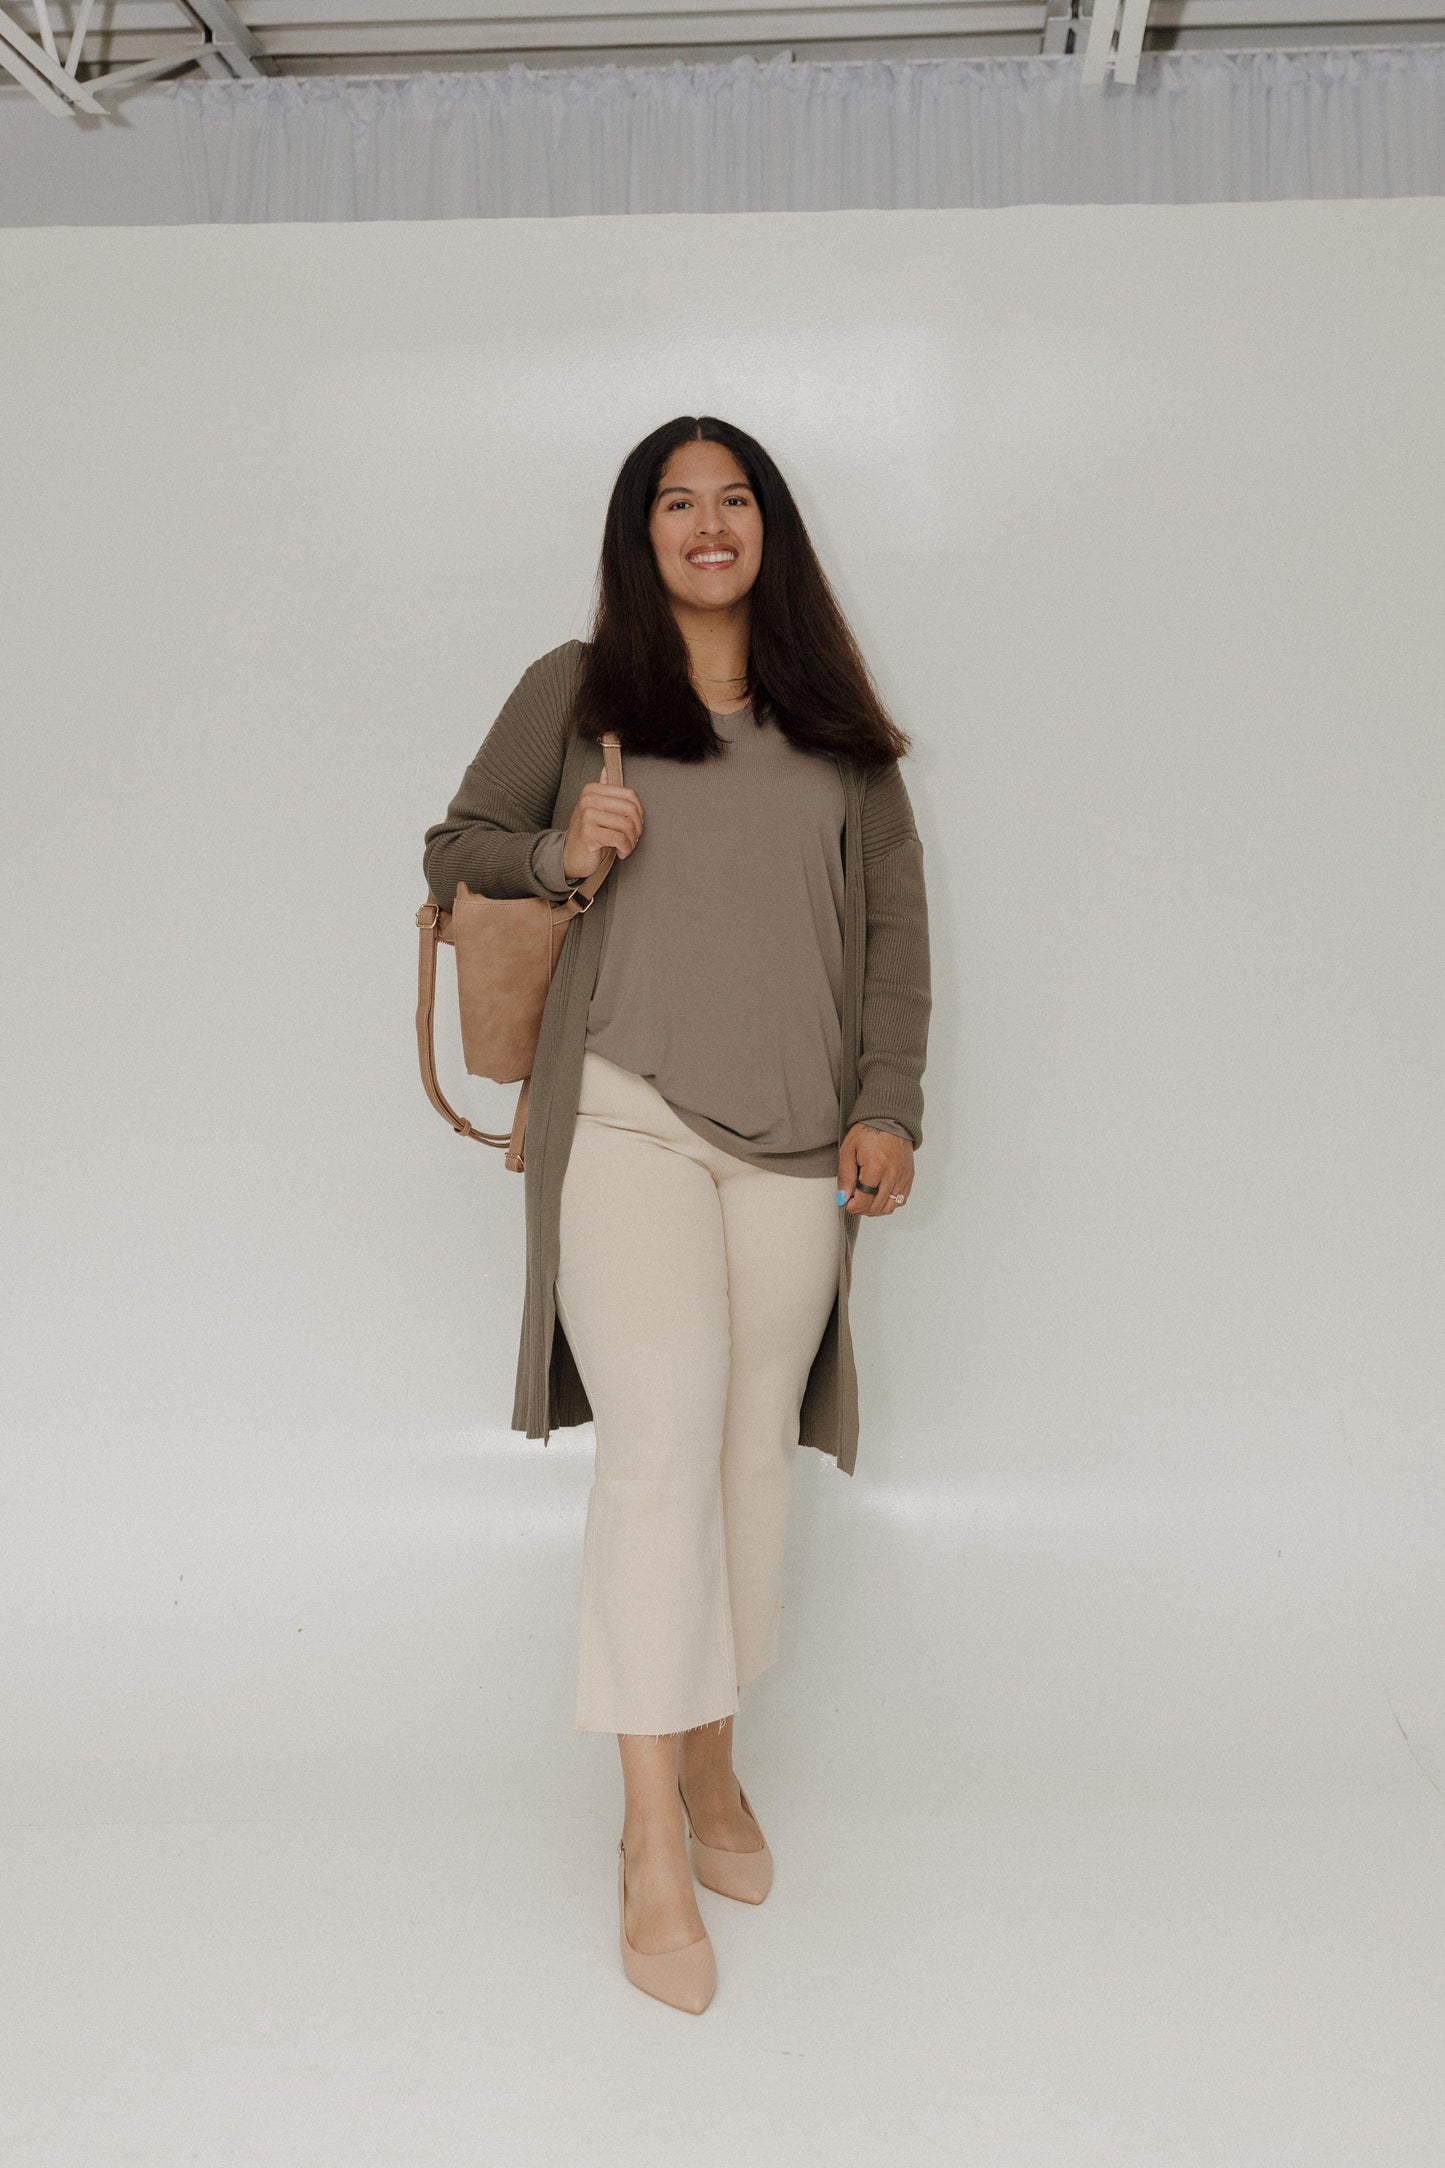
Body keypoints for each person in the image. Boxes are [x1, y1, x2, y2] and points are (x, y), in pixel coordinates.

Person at [422, 415, 931, 2014]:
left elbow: (894, 930)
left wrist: (887, 1103)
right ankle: (649, 1826)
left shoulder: (834, 722)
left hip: (796, 1143)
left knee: (744, 1460)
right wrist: (558, 848)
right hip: (625, 1110)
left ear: (768, 528)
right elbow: (455, 849)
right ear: (639, 536)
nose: (707, 524)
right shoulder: (581, 688)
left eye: (733, 500)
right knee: (660, 1445)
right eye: (674, 503)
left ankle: (714, 1756)